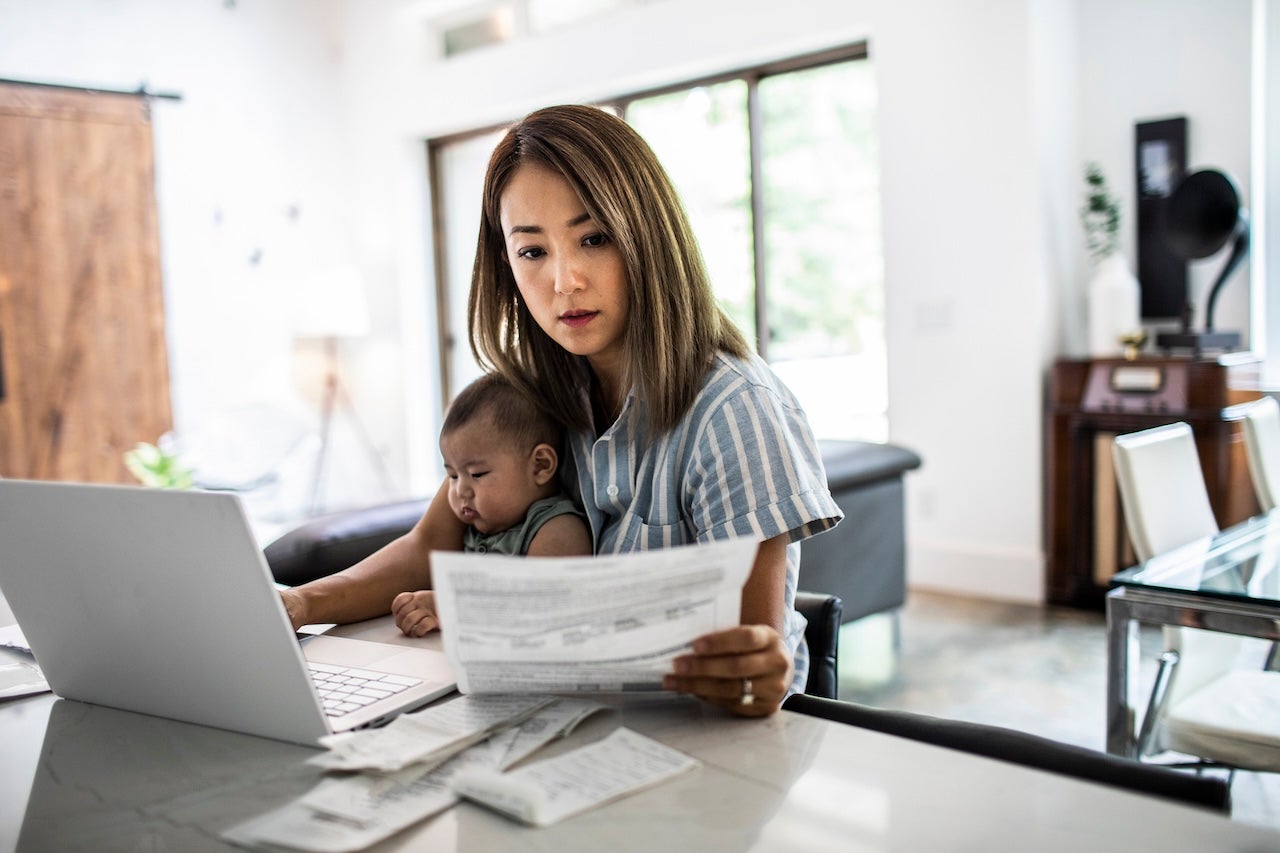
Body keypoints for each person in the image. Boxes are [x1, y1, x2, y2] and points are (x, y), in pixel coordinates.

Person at [281, 104, 842, 717]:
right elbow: (430, 548)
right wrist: (300, 604)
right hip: (554, 716)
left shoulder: (735, 411)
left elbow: (749, 660)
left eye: (594, 239)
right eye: (532, 252)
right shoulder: (525, 395)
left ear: (648, 239)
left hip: (691, 739)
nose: (564, 280)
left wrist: (757, 669)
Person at [388, 373, 591, 621]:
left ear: (540, 465)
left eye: (477, 474)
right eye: (452, 476)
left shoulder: (557, 528)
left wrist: (451, 606)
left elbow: (541, 601)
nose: (460, 490)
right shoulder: (475, 529)